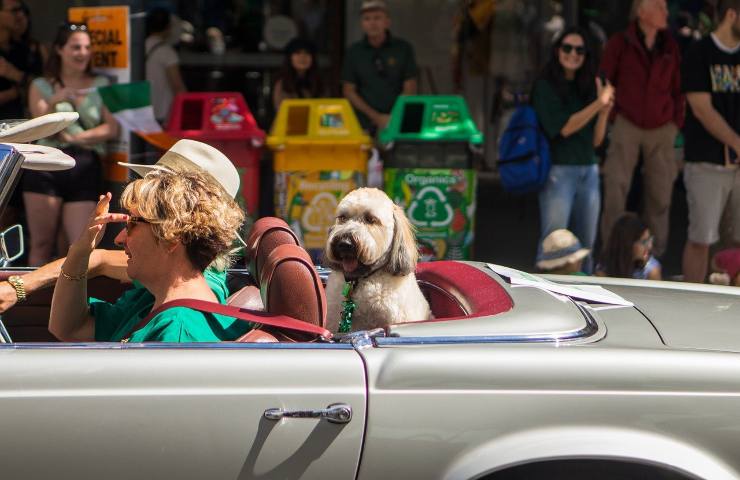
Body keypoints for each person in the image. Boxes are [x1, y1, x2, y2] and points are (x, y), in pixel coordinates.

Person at [0, 138, 242, 316]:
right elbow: (102, 259)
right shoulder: (175, 269)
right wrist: (18, 287)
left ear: (174, 231)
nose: (120, 237)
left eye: (135, 222)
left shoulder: (182, 283)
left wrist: (17, 288)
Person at [48, 166, 249, 343]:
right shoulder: (155, 303)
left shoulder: (177, 333)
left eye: (132, 224)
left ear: (170, 237)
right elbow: (70, 328)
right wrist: (81, 250)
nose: (119, 239)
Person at [23, 22, 119, 267]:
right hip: (45, 163)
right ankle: (35, 302)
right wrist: (56, 99)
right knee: (42, 244)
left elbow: (111, 127)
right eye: (76, 47)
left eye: (87, 47)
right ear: (60, 50)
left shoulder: (102, 84)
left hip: (84, 163)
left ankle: (68, 304)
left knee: (78, 246)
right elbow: (37, 123)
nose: (83, 53)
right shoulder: (41, 85)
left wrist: (75, 138)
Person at [599, 0, 684, 258]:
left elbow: (680, 88)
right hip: (627, 124)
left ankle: (652, 259)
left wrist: (675, 124)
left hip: (662, 128)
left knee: (660, 195)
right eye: (660, 6)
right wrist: (614, 116)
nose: (666, 12)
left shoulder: (670, 44)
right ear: (642, 12)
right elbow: (604, 81)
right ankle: (610, 255)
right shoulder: (619, 43)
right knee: (616, 190)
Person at [531, 26, 614, 274]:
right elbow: (564, 128)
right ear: (557, 51)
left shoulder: (589, 85)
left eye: (580, 50)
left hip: (589, 170)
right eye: (567, 48)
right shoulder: (544, 86)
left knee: (586, 245)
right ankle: (543, 300)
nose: (573, 54)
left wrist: (604, 112)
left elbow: (597, 142)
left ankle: (586, 302)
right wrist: (598, 104)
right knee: (554, 244)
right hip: (558, 172)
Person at [681, 0, 740, 283]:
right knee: (700, 239)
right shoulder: (699, 52)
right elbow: (701, 109)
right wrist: (737, 143)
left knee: (736, 242)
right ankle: (692, 308)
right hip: (706, 161)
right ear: (732, 15)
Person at [342, 0, 418, 134]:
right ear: (361, 24)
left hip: (399, 121)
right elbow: (349, 90)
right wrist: (376, 117)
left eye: (377, 18)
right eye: (367, 19)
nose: (372, 23)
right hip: (364, 124)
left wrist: (393, 117)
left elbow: (410, 86)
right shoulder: (354, 52)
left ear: (387, 21)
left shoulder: (403, 48)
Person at [146, 7, 186, 125]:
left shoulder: (137, 48)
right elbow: (177, 85)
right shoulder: (167, 51)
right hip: (163, 113)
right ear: (168, 28)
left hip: (143, 112)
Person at [596, 212, 662, 280]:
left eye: (649, 240)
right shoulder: (604, 267)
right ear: (627, 243)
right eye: (644, 242)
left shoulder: (652, 270)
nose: (649, 246)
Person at [272, 37, 324, 110]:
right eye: (297, 53)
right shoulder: (282, 83)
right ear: (290, 58)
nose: (303, 57)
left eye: (307, 53)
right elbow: (280, 110)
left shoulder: (320, 82)